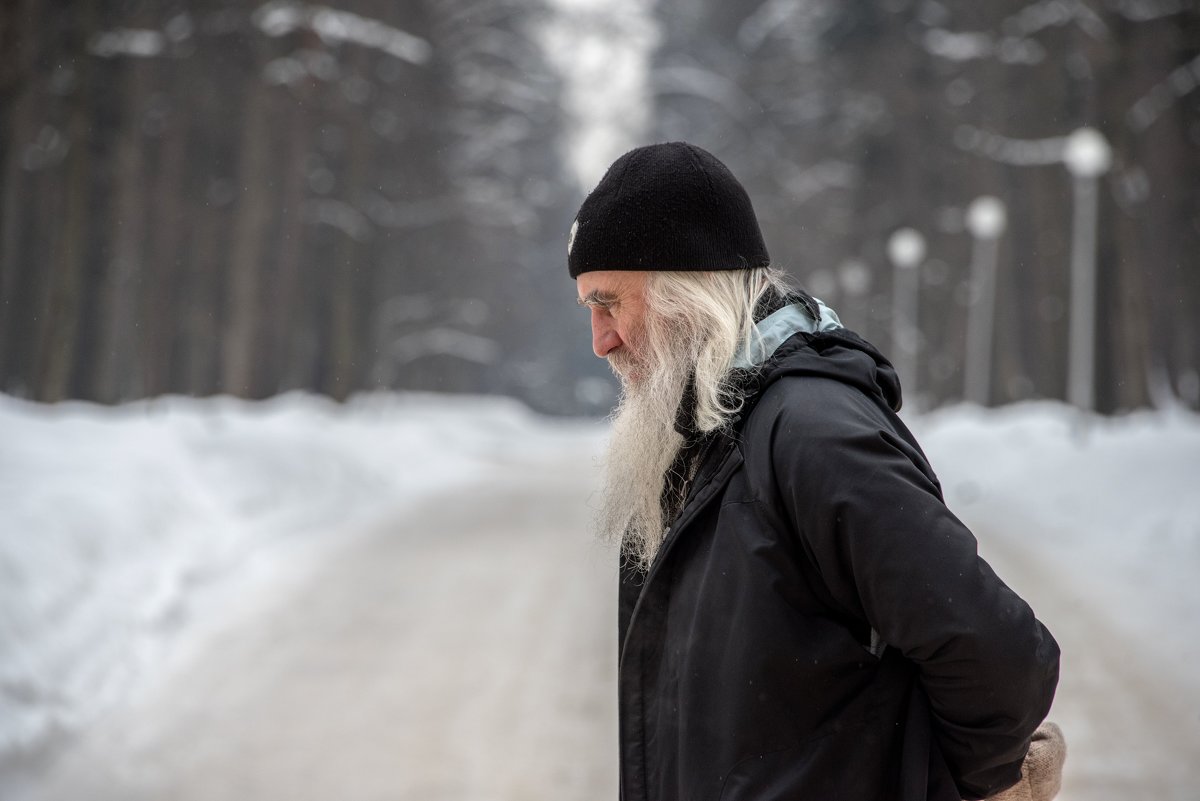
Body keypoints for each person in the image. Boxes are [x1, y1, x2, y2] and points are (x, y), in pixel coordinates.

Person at [568, 142, 1062, 801]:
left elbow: (998, 654)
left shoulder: (811, 432)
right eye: (589, 310)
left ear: (689, 293)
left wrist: (958, 783)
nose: (600, 339)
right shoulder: (699, 440)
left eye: (610, 304)